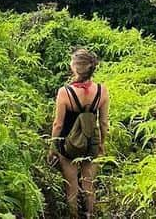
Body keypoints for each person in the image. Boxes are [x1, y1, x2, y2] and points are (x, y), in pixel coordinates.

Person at [49, 48, 109, 218]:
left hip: (68, 145)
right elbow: (104, 123)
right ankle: (90, 214)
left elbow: (58, 124)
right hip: (91, 143)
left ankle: (73, 215)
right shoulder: (102, 91)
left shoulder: (64, 92)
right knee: (89, 184)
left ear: (74, 67)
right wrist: (102, 143)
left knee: (71, 186)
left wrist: (53, 147)